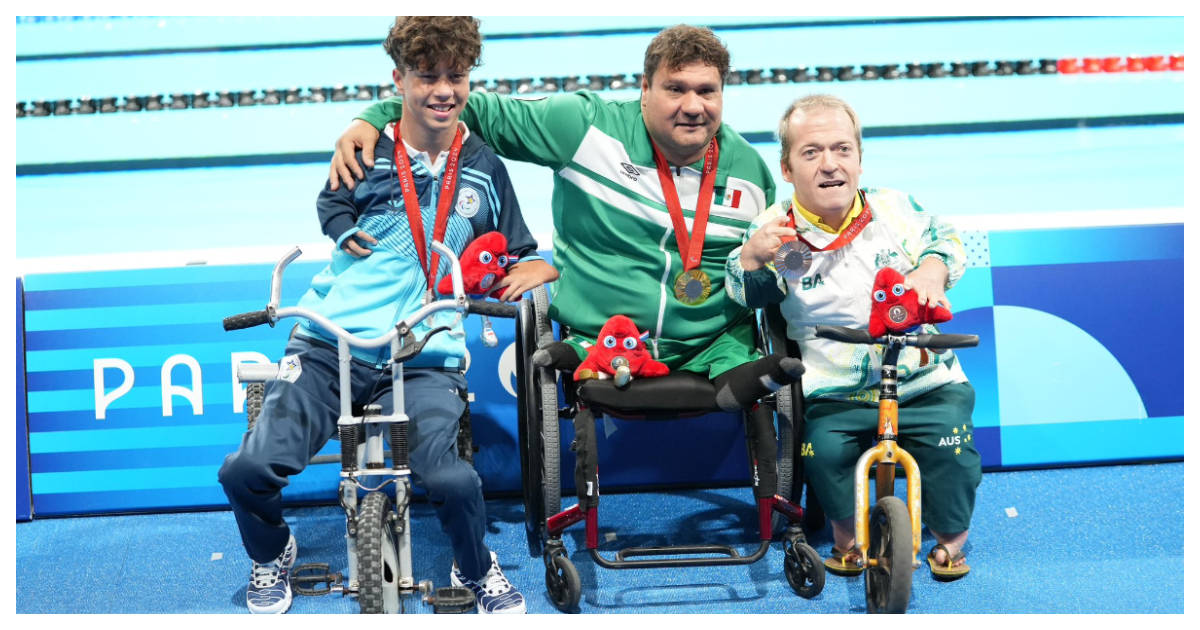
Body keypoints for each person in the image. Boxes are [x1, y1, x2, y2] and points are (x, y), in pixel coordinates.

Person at [218, 16, 556, 614]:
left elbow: (516, 250)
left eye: (456, 76)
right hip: (332, 343)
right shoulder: (368, 148)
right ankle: (272, 554)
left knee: (453, 480)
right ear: (398, 80)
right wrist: (343, 228)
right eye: (427, 76)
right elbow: (331, 202)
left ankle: (476, 566)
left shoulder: (483, 165)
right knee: (246, 469)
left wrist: (538, 267)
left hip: (427, 353)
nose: (443, 90)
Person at [329, 24, 804, 414]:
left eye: (707, 91)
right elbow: (456, 101)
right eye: (675, 89)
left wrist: (768, 267)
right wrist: (372, 118)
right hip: (604, 340)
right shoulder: (584, 128)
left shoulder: (749, 170)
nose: (693, 106)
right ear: (644, 88)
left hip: (714, 343)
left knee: (760, 349)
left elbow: (755, 284)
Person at [726, 94, 980, 581]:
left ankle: (951, 540)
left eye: (842, 149)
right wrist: (750, 259)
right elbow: (745, 294)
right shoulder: (775, 231)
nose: (830, 165)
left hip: (925, 381)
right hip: (835, 391)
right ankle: (849, 539)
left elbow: (946, 238)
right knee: (826, 452)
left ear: (859, 159)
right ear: (786, 167)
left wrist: (931, 270)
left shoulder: (895, 208)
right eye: (811, 152)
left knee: (954, 452)